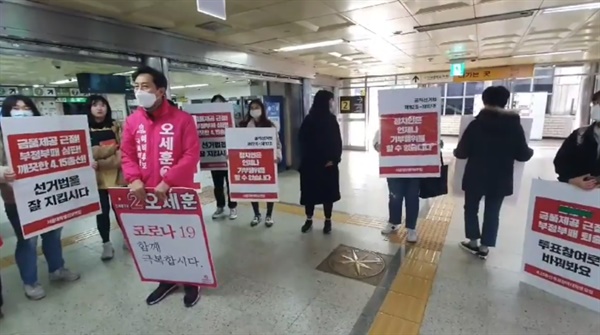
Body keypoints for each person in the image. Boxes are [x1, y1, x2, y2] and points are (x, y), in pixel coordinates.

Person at [120, 66, 201, 307]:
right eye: (135, 87)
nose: (139, 91)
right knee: (160, 240)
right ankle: (166, 281)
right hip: (147, 194)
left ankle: (192, 282)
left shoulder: (182, 120)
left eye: (145, 86)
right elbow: (127, 153)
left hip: (176, 193)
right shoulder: (132, 121)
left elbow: (191, 154)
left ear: (160, 91)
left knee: (185, 239)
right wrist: (133, 179)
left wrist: (169, 182)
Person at [0, 95, 80, 300]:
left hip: (49, 195)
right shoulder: (1, 136)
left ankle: (57, 269)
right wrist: (3, 173)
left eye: (26, 107)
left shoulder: (44, 132)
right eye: (15, 108)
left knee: (53, 233)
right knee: (27, 240)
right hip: (17, 199)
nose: (21, 112)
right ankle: (30, 281)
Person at [454, 86, 533, 259]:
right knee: (492, 212)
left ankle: (473, 241)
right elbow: (523, 155)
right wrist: (531, 151)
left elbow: (461, 153)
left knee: (471, 209)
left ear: (484, 101)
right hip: (501, 178)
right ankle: (484, 248)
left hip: (476, 176)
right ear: (505, 102)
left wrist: (455, 150)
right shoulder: (514, 126)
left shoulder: (476, 124)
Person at [298, 90, 342, 234]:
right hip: (310, 166)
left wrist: (334, 160)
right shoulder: (309, 119)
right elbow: (301, 142)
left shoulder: (331, 120)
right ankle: (309, 219)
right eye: (331, 100)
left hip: (328, 165)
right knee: (309, 195)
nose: (332, 103)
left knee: (327, 195)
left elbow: (337, 142)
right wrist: (304, 161)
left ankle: (327, 220)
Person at [87, 95, 125, 260]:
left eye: (103, 105)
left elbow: (124, 150)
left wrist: (99, 156)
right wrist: (111, 149)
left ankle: (128, 239)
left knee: (122, 210)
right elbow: (87, 153)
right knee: (102, 213)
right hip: (97, 179)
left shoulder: (116, 126)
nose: (100, 108)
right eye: (95, 105)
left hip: (118, 176)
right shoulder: (83, 128)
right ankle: (106, 244)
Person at [239, 99, 282, 227]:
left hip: (268, 161)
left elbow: (277, 144)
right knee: (253, 189)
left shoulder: (270, 125)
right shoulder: (244, 125)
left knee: (269, 188)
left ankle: (269, 215)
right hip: (251, 161)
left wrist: (278, 157)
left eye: (257, 107)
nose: (254, 110)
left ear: (262, 109)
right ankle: (256, 214)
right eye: (252, 108)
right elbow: (238, 142)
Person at [373, 131, 421, 243]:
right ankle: (393, 222)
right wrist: (378, 146)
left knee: (412, 198)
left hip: (414, 168)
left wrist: (437, 144)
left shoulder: (419, 120)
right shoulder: (389, 122)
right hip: (393, 167)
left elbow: (433, 139)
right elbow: (376, 143)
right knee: (395, 197)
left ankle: (411, 228)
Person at [553, 90, 600, 190]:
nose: (595, 107)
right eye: (594, 103)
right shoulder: (580, 134)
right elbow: (560, 162)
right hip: (579, 195)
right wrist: (572, 180)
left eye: (599, 103)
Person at [209, 94, 237, 220]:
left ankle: (233, 207)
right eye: (215, 103)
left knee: (231, 185)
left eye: (220, 103)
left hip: (229, 159)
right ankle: (220, 206)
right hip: (215, 159)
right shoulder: (209, 121)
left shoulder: (230, 119)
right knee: (218, 186)